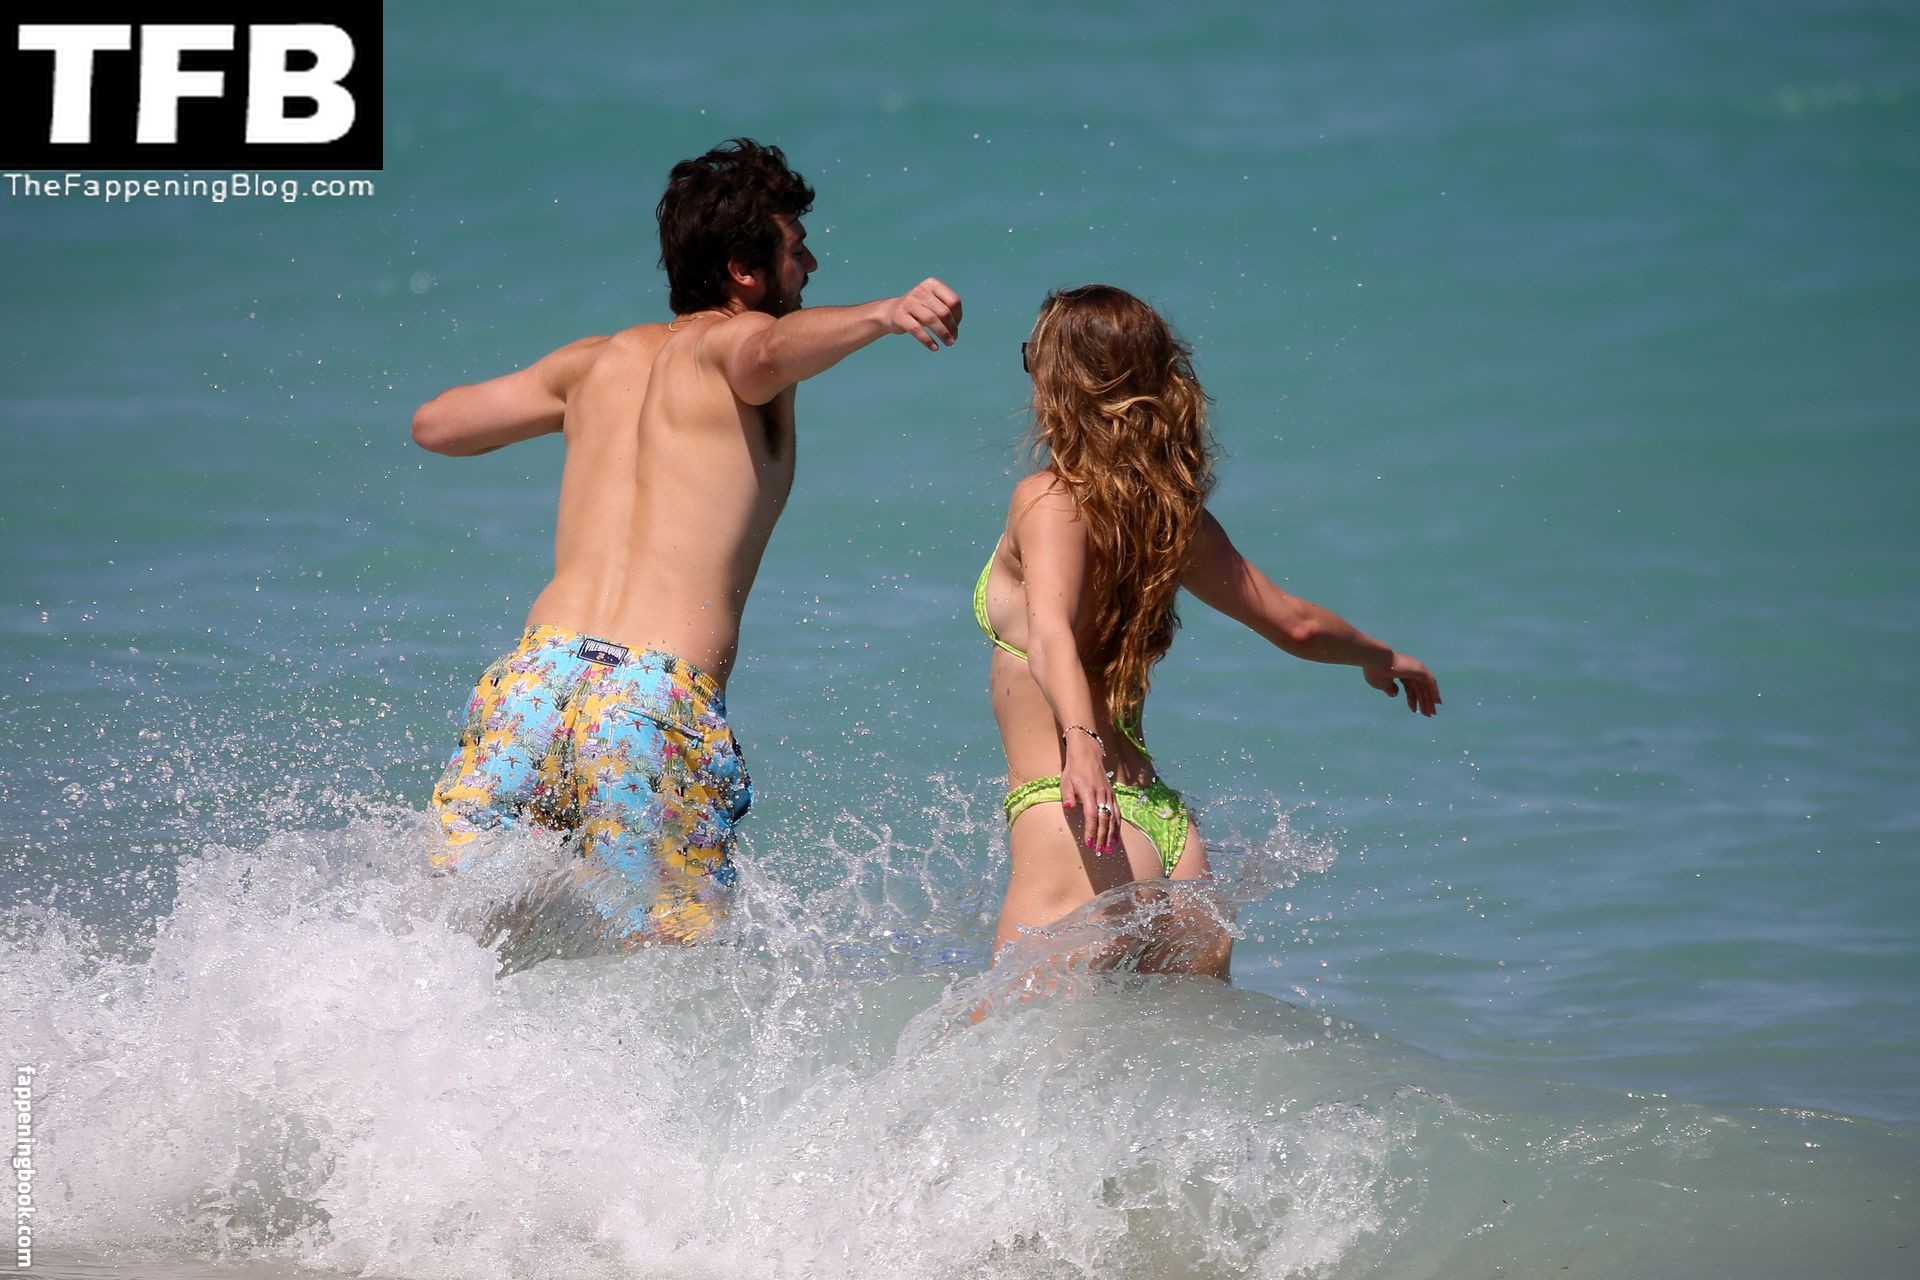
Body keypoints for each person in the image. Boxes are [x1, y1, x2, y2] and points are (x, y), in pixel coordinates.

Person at [412, 138, 962, 945]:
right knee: (671, 960)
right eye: (797, 249)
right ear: (745, 271)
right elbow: (767, 350)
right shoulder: (736, 348)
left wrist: (579, 407)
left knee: (457, 937)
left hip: (533, 684)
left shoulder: (591, 363)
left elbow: (436, 426)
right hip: (648, 701)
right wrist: (884, 314)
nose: (811, 266)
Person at [976, 284, 1438, 980]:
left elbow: (1050, 636)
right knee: (1174, 1046)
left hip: (1079, 817)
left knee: (994, 1038)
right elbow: (1295, 625)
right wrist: (1383, 655)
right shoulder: (1170, 519)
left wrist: (1080, 744)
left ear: (1062, 383)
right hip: (1171, 840)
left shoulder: (1047, 500)